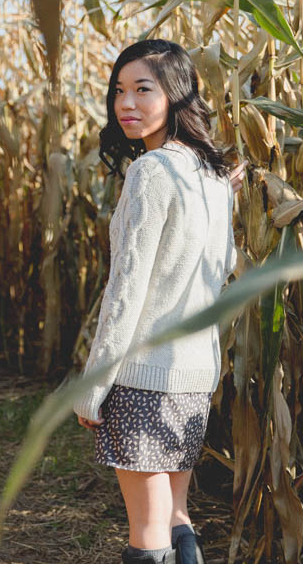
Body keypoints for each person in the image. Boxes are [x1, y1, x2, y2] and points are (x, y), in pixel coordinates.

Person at [73, 39, 243, 564]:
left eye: (143, 89)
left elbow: (126, 290)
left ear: (175, 94)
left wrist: (93, 383)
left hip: (145, 376)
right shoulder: (211, 176)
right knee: (176, 515)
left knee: (147, 537)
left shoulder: (151, 172)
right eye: (119, 91)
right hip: (194, 376)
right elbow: (223, 267)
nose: (126, 103)